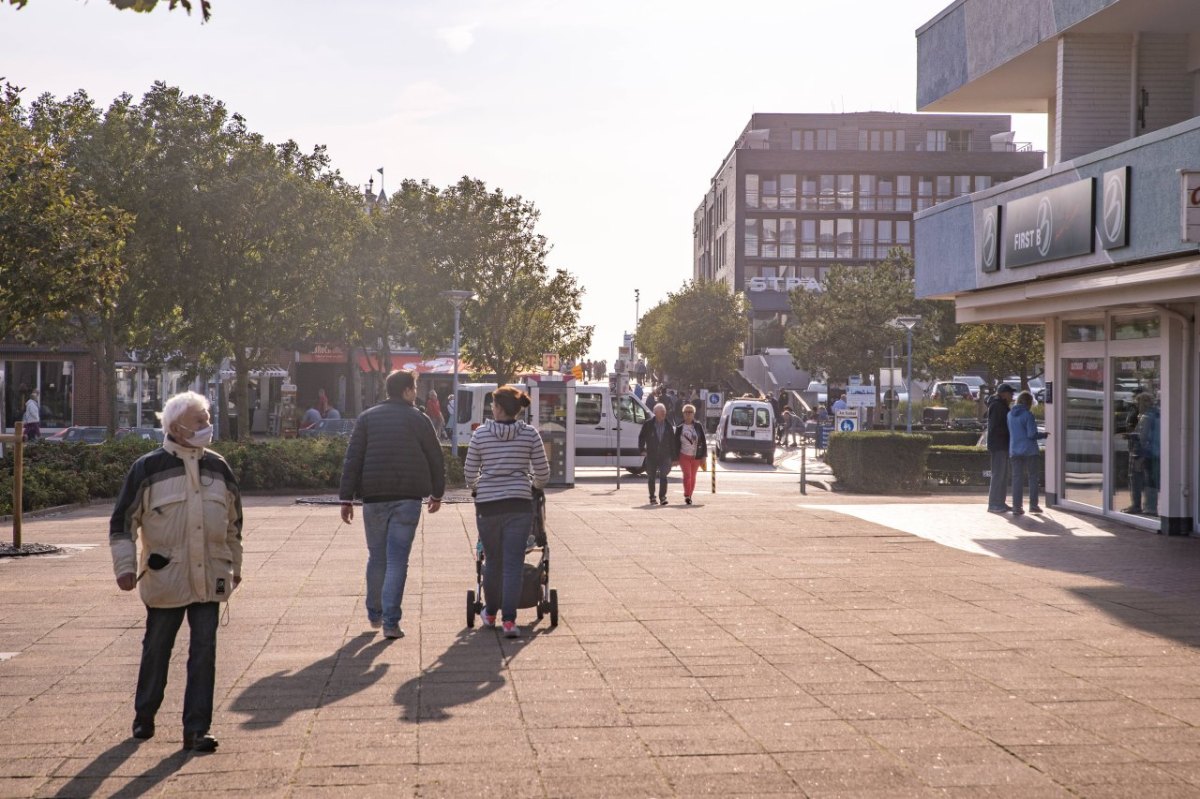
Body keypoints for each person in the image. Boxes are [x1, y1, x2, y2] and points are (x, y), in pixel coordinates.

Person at [109, 391, 242, 752]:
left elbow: (234, 525)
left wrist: (235, 566)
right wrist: (123, 567)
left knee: (204, 652)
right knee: (157, 647)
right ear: (176, 427)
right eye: (200, 421)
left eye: (207, 418)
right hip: (165, 577)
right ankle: (145, 714)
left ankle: (197, 729)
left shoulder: (218, 467)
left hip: (210, 575)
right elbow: (123, 522)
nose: (207, 426)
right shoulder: (147, 468)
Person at [339, 370, 445, 640]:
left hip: (373, 497)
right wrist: (437, 493)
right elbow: (435, 457)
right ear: (407, 391)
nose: (417, 393)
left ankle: (374, 613)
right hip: (408, 497)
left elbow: (353, 459)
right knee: (398, 559)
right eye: (415, 388)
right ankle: (390, 622)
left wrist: (346, 498)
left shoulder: (366, 418)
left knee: (377, 556)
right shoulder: (419, 419)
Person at [463, 385, 550, 638]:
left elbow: (469, 474)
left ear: (499, 408)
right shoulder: (530, 434)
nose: (492, 408)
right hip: (518, 505)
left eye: (493, 404)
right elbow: (543, 474)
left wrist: (482, 485)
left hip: (488, 506)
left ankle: (490, 614)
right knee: (513, 563)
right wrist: (530, 484)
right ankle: (510, 621)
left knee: (492, 562)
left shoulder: (480, 435)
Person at [1007, 390, 1041, 515]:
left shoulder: (1010, 415)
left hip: (1014, 450)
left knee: (1017, 479)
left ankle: (1016, 507)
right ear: (1029, 402)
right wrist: (1043, 435)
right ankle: (1033, 505)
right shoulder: (1028, 415)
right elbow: (1031, 434)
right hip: (1030, 451)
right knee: (1032, 477)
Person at [638, 403, 679, 505]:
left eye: (665, 412)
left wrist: (674, 458)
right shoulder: (648, 424)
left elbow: (672, 442)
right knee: (651, 477)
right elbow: (641, 437)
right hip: (651, 455)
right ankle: (652, 497)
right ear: (655, 413)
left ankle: (663, 497)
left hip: (665, 455)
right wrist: (641, 449)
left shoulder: (668, 425)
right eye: (662, 412)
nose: (664, 414)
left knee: (663, 476)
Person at [986, 383, 1015, 513]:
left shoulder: (1001, 405)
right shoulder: (998, 406)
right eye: (1010, 393)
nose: (1012, 396)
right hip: (999, 445)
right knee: (998, 474)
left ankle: (1000, 502)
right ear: (1003, 393)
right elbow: (996, 427)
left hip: (1002, 445)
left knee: (1002, 474)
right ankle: (993, 504)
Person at [673, 404, 707, 505]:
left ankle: (690, 494)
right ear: (683, 414)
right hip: (684, 455)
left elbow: (703, 441)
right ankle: (687, 495)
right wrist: (674, 458)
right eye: (686, 412)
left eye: (690, 412)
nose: (688, 414)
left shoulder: (698, 426)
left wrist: (704, 456)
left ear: (693, 414)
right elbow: (675, 444)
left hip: (696, 456)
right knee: (687, 476)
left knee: (693, 477)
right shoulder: (679, 428)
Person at [1134, 393, 1160, 516]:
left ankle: (1150, 507)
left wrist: (1141, 456)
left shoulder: (1146, 417)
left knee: (1149, 480)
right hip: (1157, 452)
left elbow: (1143, 438)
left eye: (1137, 403)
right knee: (1153, 479)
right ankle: (1151, 506)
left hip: (1149, 453)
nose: (1136, 406)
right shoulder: (1157, 414)